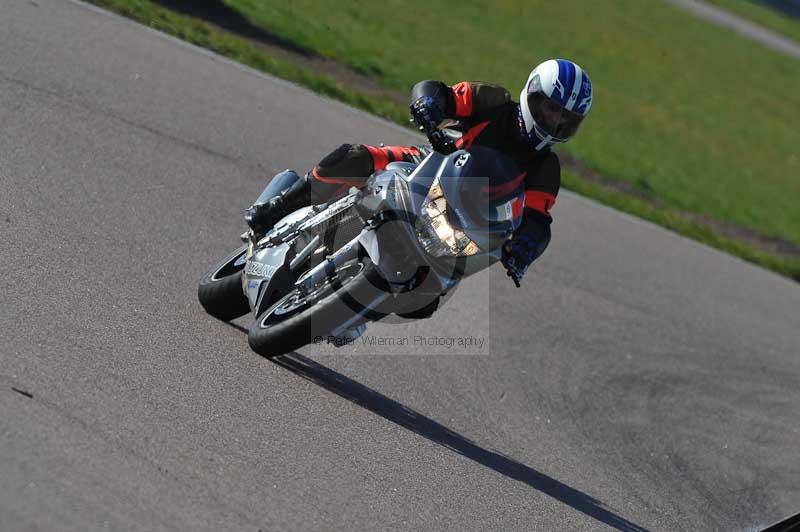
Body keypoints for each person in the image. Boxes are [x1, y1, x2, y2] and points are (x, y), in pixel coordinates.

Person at [245, 59, 593, 286]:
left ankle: (354, 307)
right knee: (356, 158)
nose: (554, 120)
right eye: (550, 108)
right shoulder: (493, 102)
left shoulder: (546, 169)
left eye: (566, 118)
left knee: (429, 295)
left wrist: (525, 248)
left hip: (467, 220)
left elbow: (536, 219)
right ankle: (277, 208)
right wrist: (430, 105)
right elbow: (441, 92)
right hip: (429, 164)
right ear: (533, 94)